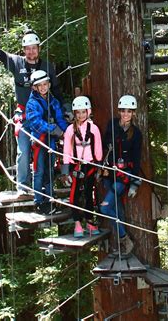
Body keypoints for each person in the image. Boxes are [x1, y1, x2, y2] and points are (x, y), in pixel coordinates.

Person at [0, 15, 63, 196]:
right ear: (23, 50)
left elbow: (56, 90)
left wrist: (63, 113)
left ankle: (47, 188)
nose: (31, 52)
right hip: (25, 115)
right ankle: (23, 188)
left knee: (46, 153)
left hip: (44, 116)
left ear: (39, 49)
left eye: (34, 48)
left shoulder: (48, 66)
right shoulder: (16, 63)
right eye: (28, 49)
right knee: (24, 152)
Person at [99, 95, 142, 255]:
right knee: (117, 210)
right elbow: (104, 145)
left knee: (105, 209)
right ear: (119, 111)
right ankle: (123, 245)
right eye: (123, 111)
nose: (125, 114)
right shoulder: (112, 125)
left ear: (133, 113)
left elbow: (137, 159)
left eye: (129, 111)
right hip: (109, 173)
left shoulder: (136, 134)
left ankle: (125, 240)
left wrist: (134, 183)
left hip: (124, 175)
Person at [26, 70, 68, 213]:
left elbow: (60, 119)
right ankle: (38, 201)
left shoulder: (53, 101)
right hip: (39, 141)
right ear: (34, 87)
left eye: (45, 84)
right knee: (39, 170)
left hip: (50, 141)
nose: (43, 87)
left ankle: (50, 199)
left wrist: (67, 132)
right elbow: (35, 123)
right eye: (40, 85)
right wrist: (54, 128)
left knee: (50, 169)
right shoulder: (32, 104)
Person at [61, 96, 103, 237]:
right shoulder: (70, 130)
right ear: (74, 113)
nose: (80, 115)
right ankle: (77, 223)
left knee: (88, 195)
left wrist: (99, 165)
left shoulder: (94, 129)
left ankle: (90, 222)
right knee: (74, 195)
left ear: (88, 111)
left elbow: (98, 148)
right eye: (78, 112)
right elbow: (66, 150)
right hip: (75, 166)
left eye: (83, 112)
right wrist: (66, 171)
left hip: (89, 165)